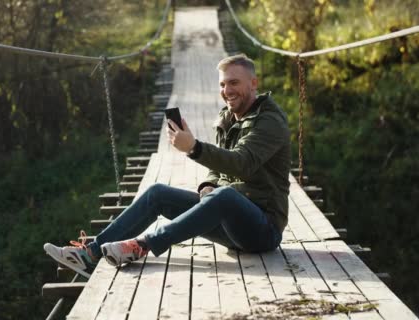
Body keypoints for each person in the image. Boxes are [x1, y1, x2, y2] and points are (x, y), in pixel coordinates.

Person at [43, 53, 290, 278]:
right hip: (228, 223)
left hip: (262, 230)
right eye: (223, 84)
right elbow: (219, 169)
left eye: (234, 83)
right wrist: (208, 184)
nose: (227, 90)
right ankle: (89, 255)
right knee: (157, 194)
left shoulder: (270, 121)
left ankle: (143, 245)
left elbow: (242, 163)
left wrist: (194, 148)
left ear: (254, 84)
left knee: (225, 196)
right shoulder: (226, 118)